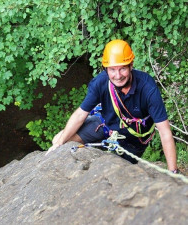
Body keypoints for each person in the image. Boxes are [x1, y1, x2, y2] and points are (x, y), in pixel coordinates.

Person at [47, 39, 178, 173]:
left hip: (133, 138)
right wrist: (59, 143)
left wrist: (173, 172)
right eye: (112, 70)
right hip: (105, 124)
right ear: (106, 69)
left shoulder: (147, 88)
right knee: (59, 139)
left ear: (131, 65)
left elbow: (164, 132)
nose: (118, 75)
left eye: (122, 68)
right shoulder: (101, 83)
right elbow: (81, 114)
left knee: (115, 171)